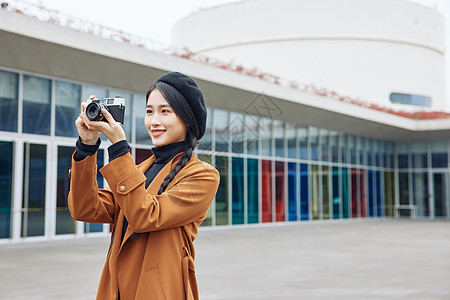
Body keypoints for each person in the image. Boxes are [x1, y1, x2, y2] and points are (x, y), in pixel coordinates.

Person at [68, 72, 220, 300]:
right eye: (149, 111)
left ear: (188, 119)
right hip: (116, 291)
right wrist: (86, 147)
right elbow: (85, 208)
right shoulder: (137, 171)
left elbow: (145, 215)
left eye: (165, 111)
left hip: (160, 292)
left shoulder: (202, 175)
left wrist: (120, 147)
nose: (154, 121)